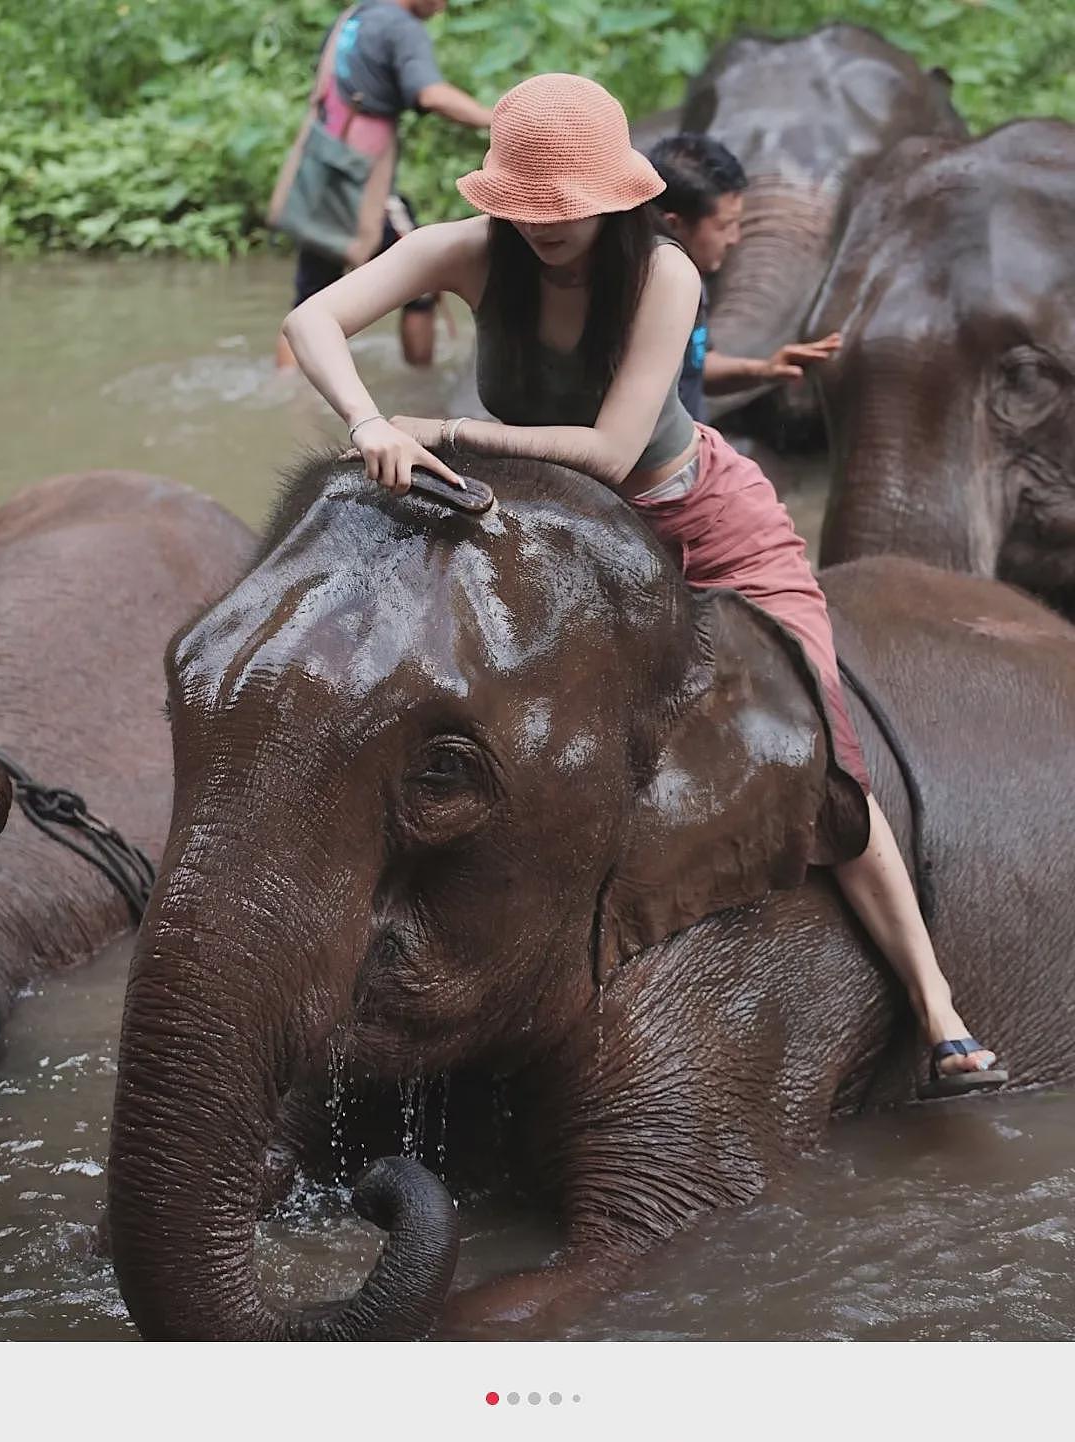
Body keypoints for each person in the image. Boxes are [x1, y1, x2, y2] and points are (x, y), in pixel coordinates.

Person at [282, 73, 1007, 1096]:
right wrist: (365, 424)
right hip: (550, 529)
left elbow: (618, 450)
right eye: (527, 210)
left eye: (567, 210)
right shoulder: (469, 251)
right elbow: (316, 319)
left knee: (821, 751)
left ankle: (938, 1008)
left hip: (697, 524)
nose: (546, 229)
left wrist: (437, 431)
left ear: (619, 198)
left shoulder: (663, 273)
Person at [274, 0, 491, 369]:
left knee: (309, 299)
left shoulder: (353, 18)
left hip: (323, 175)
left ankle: (288, 393)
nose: (444, 6)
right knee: (425, 277)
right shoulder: (401, 27)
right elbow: (431, 94)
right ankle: (423, 390)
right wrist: (497, 119)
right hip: (360, 186)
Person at [647, 132, 841, 421]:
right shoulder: (635, 298)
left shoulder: (689, 278)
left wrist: (764, 370)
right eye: (724, 226)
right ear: (672, 225)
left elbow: (694, 368)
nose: (735, 239)